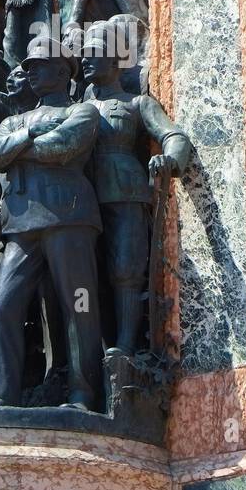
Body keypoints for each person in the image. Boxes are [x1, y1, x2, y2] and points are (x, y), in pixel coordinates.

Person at [0, 40, 102, 410]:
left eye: (40, 64)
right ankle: (4, 393)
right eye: (28, 65)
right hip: (20, 224)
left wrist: (16, 151)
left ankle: (84, 394)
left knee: (78, 304)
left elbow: (63, 147)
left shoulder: (83, 111)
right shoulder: (12, 120)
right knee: (2, 305)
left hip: (68, 217)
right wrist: (30, 136)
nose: (30, 70)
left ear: (64, 71)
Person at [81, 19, 190, 354]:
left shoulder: (136, 103)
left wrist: (169, 160)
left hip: (126, 195)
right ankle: (94, 354)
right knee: (87, 277)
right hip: (83, 200)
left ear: (114, 60)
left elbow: (174, 136)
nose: (84, 60)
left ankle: (126, 348)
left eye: (93, 54)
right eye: (83, 54)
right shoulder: (77, 108)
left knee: (125, 270)